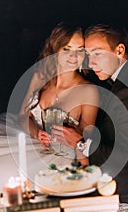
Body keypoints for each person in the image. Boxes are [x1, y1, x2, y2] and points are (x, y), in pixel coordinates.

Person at [52, 24, 128, 202]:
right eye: (88, 55)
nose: (90, 62)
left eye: (98, 53)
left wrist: (80, 142)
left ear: (119, 50)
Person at [18, 22, 99, 164]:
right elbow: (22, 117)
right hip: (33, 146)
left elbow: (84, 143)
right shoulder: (40, 77)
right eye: (67, 49)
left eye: (80, 50)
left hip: (63, 160)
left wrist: (86, 174)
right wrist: (37, 133)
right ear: (55, 50)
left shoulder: (88, 91)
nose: (74, 56)